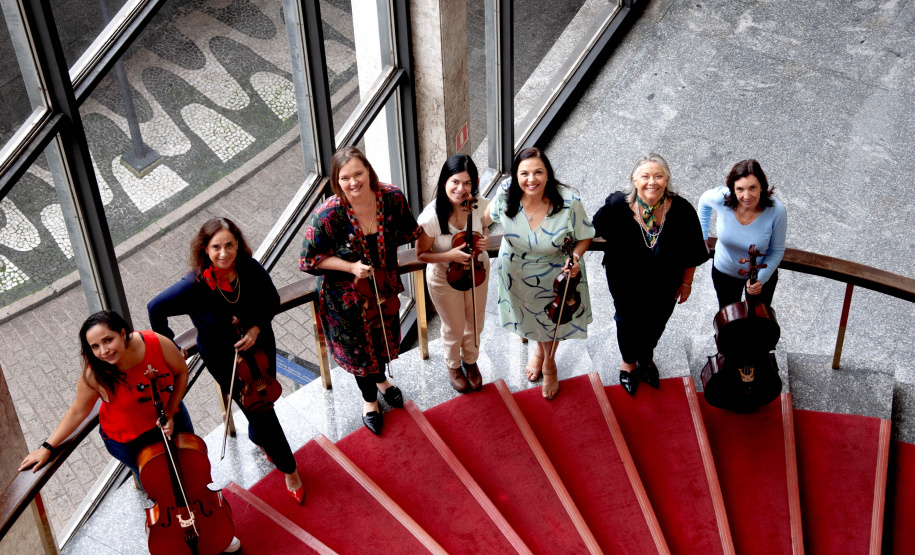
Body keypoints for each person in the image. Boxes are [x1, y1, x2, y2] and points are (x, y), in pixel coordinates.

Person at [18, 311, 243, 553]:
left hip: (171, 418)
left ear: (123, 333)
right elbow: (77, 412)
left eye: (108, 340)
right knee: (161, 489)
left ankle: (213, 527)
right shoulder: (94, 374)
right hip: (129, 439)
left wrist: (170, 409)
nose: (104, 351)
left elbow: (181, 372)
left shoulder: (156, 343)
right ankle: (177, 534)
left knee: (191, 473)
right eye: (94, 346)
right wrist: (47, 447)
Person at [147, 217, 305, 505]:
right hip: (223, 357)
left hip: (259, 346)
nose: (224, 253)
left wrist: (256, 327)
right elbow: (155, 308)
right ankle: (289, 469)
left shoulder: (248, 268)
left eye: (229, 245)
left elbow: (271, 299)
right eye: (216, 247)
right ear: (204, 249)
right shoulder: (192, 286)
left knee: (262, 400)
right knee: (261, 409)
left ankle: (259, 437)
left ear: (237, 244)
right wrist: (170, 345)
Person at [299, 146, 423, 435]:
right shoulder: (327, 215)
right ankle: (370, 401)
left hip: (382, 288)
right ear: (336, 180)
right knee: (359, 353)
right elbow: (308, 259)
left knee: (381, 340)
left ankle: (383, 381)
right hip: (343, 298)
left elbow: (412, 231)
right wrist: (351, 267)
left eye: (358, 173)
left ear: (368, 170)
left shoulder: (391, 197)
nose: (353, 182)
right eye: (345, 178)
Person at [592, 153, 708, 396]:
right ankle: (628, 362)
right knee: (626, 320)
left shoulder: (682, 210)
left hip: (665, 282)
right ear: (634, 180)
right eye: (645, 176)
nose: (651, 182)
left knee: (656, 321)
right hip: (625, 281)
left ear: (666, 180)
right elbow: (594, 227)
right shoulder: (618, 206)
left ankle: (646, 358)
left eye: (658, 176)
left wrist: (686, 284)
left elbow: (692, 251)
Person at [489, 147, 594, 400]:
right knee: (532, 320)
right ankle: (540, 351)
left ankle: (549, 363)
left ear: (548, 175)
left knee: (553, 319)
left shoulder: (569, 202)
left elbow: (585, 237)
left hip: (555, 273)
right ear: (515, 176)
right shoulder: (506, 193)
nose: (531, 179)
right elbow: (486, 216)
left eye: (538, 172)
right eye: (524, 173)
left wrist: (576, 258)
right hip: (515, 272)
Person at [416, 154, 490, 393]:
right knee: (454, 325)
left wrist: (485, 239)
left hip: (477, 268)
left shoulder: (477, 203)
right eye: (455, 182)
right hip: (444, 275)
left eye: (467, 183)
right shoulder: (431, 217)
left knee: (475, 320)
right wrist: (450, 256)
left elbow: (485, 225)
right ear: (445, 181)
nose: (461, 189)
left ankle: (471, 360)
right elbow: (421, 255)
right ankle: (454, 364)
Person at [698, 159, 787, 309]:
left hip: (760, 276)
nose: (746, 196)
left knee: (758, 324)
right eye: (740, 189)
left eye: (752, 188)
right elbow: (704, 201)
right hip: (724, 272)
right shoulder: (722, 198)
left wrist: (761, 279)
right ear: (733, 189)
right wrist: (702, 237)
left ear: (761, 187)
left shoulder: (777, 211)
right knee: (728, 322)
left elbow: (777, 251)